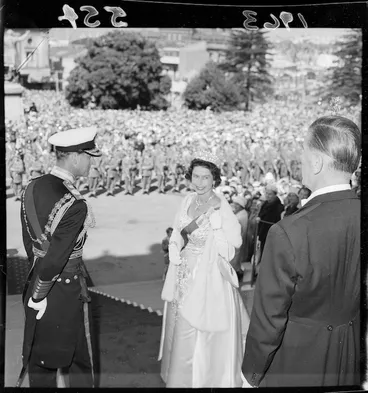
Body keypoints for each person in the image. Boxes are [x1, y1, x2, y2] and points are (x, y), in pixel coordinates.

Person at [242, 115, 361, 387]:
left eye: (304, 153)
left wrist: (249, 376)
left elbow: (268, 320)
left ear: (317, 162)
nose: (301, 161)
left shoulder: (288, 231)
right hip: (349, 356)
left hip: (295, 362)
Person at [158, 150, 249, 388]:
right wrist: (175, 246)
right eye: (195, 176)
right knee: (179, 322)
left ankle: (202, 377)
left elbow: (231, 251)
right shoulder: (187, 200)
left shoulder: (221, 206)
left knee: (198, 329)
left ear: (214, 179)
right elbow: (178, 230)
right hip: (183, 269)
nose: (199, 182)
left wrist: (218, 230)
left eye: (205, 177)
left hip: (209, 276)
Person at [20, 127, 102, 388]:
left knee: (39, 357)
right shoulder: (75, 203)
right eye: (89, 156)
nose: (91, 162)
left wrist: (34, 291)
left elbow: (32, 245)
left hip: (35, 279)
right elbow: (56, 258)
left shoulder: (32, 186)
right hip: (62, 290)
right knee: (79, 358)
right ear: (75, 157)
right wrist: (40, 296)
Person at [257, 183, 284, 257]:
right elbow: (261, 214)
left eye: (270, 194)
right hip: (263, 233)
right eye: (267, 193)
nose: (268, 195)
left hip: (271, 234)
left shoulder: (279, 207)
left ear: (275, 195)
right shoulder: (265, 203)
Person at [229, 195, 249, 281]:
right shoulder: (240, 212)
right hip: (235, 238)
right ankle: (237, 271)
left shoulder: (242, 215)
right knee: (235, 258)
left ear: (241, 206)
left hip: (237, 239)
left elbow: (241, 229)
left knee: (235, 258)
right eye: (235, 204)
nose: (235, 206)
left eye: (237, 204)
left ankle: (236, 274)